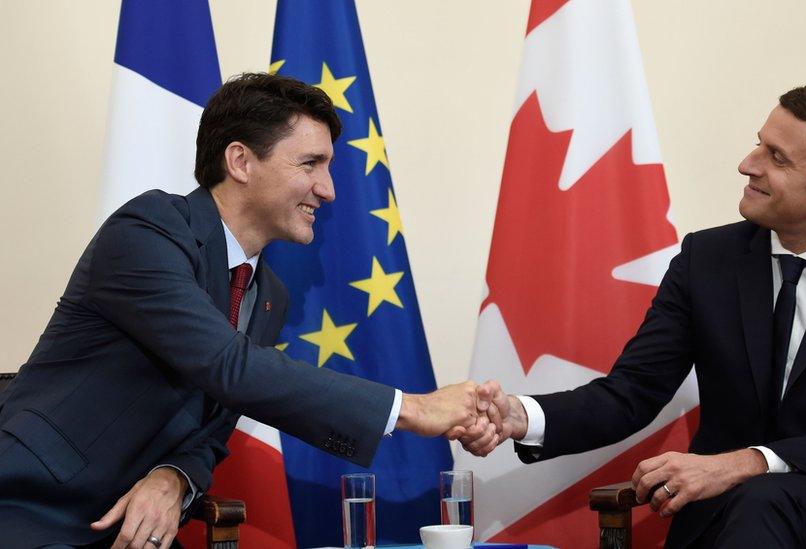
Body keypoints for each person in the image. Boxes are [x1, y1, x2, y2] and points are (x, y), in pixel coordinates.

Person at [0, 73, 497, 549]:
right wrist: (413, 409)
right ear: (240, 160)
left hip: (124, 527)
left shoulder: (266, 295)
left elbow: (210, 435)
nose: (329, 189)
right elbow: (229, 367)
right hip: (29, 508)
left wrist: (174, 477)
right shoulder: (147, 230)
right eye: (310, 164)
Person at [460, 86, 806, 549]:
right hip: (736, 515)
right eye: (760, 144)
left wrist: (746, 463)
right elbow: (632, 391)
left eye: (776, 158)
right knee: (754, 504)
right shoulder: (707, 260)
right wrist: (521, 416)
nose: (747, 165)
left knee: (762, 500)